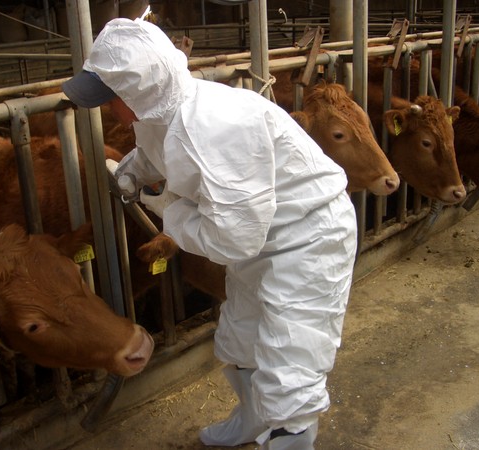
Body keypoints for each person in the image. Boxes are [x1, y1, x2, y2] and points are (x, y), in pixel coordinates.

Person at [63, 17, 357, 450]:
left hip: (309, 235)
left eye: (111, 98)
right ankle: (253, 420)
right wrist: (133, 171)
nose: (108, 108)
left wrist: (168, 209)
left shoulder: (218, 127)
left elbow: (232, 240)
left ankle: (289, 439)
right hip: (264, 232)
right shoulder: (167, 107)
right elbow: (159, 147)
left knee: (292, 354)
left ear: (138, 91)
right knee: (242, 335)